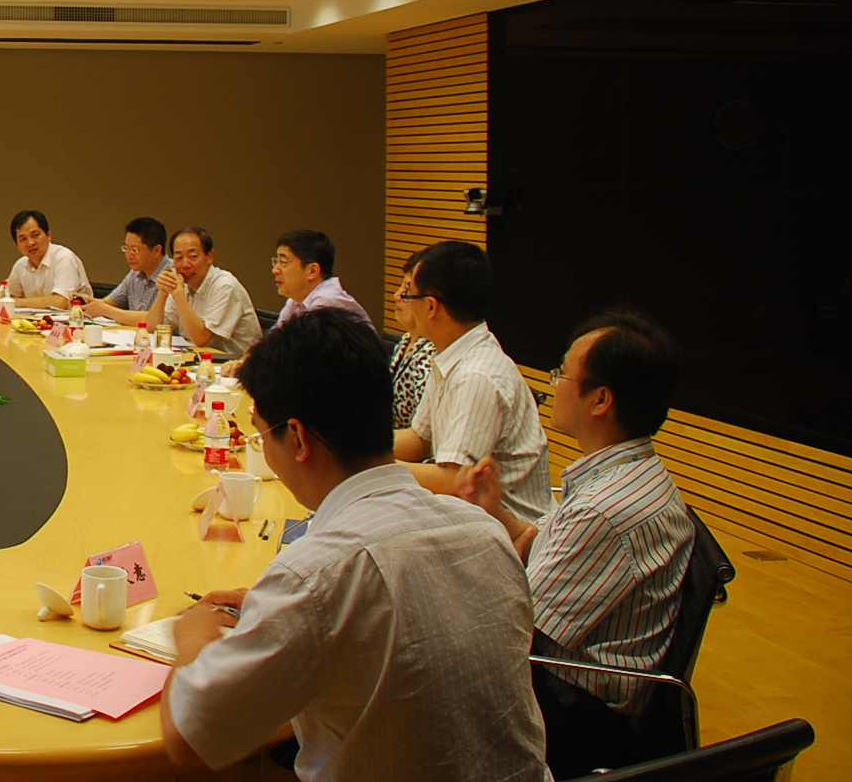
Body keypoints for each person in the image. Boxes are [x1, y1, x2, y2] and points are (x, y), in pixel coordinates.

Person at [161, 309, 546, 781]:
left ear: (297, 438)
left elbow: (189, 737)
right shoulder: (484, 533)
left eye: (262, 435)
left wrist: (194, 634)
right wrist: (277, 609)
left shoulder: (316, 575)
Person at [457, 310, 696, 778]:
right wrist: (495, 511)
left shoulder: (605, 509)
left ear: (600, 399)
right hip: (567, 679)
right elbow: (540, 548)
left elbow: (512, 624)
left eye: (561, 373)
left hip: (577, 712)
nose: (552, 385)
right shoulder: (621, 472)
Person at [392, 241, 551, 524]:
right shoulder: (451, 353)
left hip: (512, 534)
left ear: (431, 306)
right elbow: (418, 440)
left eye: (409, 294)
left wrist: (368, 466)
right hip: (473, 520)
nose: (402, 299)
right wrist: (353, 446)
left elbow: (454, 480)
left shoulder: (475, 376)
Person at [150, 226, 260, 357]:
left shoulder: (225, 285)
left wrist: (178, 295)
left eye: (193, 256)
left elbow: (201, 338)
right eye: (179, 258)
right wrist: (163, 292)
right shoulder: (183, 284)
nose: (185, 265)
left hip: (235, 363)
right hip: (201, 359)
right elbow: (153, 328)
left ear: (209, 256)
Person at [0, 210, 89, 310]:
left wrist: (19, 302)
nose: (30, 243)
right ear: (17, 245)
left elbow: (61, 302)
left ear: (49, 235)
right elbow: (9, 292)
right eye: (23, 239)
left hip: (77, 322)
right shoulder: (21, 264)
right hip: (40, 321)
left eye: (35, 235)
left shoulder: (64, 258)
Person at [77, 216, 172, 326]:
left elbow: (157, 320)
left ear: (157, 250)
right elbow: (108, 303)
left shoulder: (172, 275)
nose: (129, 255)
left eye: (134, 250)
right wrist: (86, 301)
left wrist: (106, 310)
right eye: (126, 248)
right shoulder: (135, 273)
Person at [270, 229, 372, 328]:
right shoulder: (295, 301)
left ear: (312, 271)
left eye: (283, 262)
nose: (275, 270)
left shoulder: (327, 304)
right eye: (277, 261)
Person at [385, 249, 438, 428]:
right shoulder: (406, 340)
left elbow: (424, 437)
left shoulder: (431, 356)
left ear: (430, 303)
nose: (397, 295)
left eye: (408, 290)